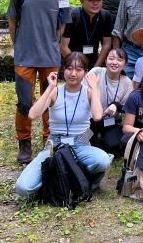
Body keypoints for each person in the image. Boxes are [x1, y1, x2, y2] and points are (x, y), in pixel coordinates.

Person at [14, 52, 112, 198]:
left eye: (79, 69)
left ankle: (79, 175)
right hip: (56, 142)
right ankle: (63, 175)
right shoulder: (56, 91)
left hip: (82, 139)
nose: (73, 74)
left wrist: (95, 89)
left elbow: (97, 116)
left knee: (103, 161)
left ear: (85, 72)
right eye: (69, 68)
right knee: (23, 188)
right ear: (63, 70)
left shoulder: (88, 92)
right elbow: (32, 115)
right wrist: (49, 88)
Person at [7, 0, 71, 164]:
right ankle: (24, 143)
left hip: (50, 58)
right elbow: (13, 21)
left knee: (50, 102)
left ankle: (48, 139)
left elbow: (61, 27)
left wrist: (53, 46)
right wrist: (18, 45)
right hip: (25, 56)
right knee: (25, 101)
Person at [86, 48, 133, 155]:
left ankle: (103, 139)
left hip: (110, 122)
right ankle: (94, 138)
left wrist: (116, 105)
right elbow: (82, 96)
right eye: (111, 58)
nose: (114, 62)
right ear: (105, 61)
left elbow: (126, 107)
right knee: (84, 143)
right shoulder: (96, 72)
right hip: (90, 121)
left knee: (116, 147)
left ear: (125, 64)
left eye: (120, 60)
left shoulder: (127, 82)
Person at [61, 0, 113, 69]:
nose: (95, 3)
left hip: (94, 61)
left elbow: (107, 44)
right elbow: (63, 46)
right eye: (90, 0)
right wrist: (78, 67)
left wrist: (96, 68)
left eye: (98, 0)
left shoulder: (105, 16)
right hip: (71, 61)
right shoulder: (73, 15)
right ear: (81, 1)